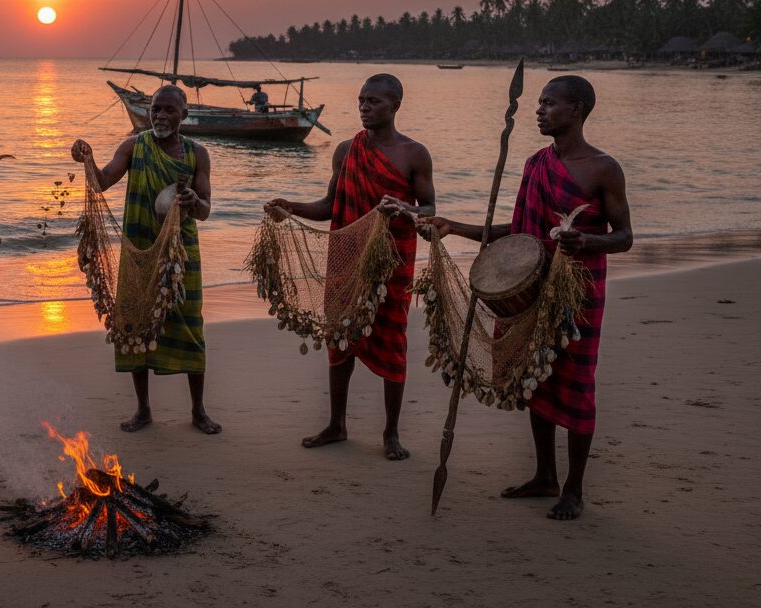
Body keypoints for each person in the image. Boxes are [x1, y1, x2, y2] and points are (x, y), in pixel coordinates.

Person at [419, 75, 631, 520]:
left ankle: (573, 489)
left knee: (575, 386)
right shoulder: (535, 164)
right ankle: (544, 475)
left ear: (575, 110)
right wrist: (455, 227)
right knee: (538, 378)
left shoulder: (603, 168)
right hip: (531, 290)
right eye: (536, 103)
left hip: (578, 293)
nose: (538, 110)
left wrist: (587, 244)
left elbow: (625, 236)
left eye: (548, 103)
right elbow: (518, 236)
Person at [266, 73, 435, 460]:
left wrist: (404, 209)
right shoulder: (345, 150)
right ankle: (336, 424)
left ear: (395, 105)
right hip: (345, 258)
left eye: (373, 101)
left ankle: (391, 434)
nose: (364, 107)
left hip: (391, 262)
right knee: (339, 340)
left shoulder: (414, 154)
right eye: (361, 100)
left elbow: (428, 210)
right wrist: (290, 207)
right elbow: (330, 205)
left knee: (392, 342)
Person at [71, 84, 220, 434]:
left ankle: (198, 411)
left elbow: (205, 211)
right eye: (156, 109)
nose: (160, 116)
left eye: (169, 110)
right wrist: (88, 158)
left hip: (180, 254)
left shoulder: (197, 154)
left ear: (184, 113)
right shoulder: (134, 146)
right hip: (139, 252)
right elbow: (101, 183)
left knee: (189, 327)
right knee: (135, 323)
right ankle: (143, 410)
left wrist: (191, 201)